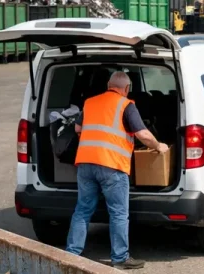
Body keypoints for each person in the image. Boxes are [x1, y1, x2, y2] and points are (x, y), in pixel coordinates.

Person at [66, 70, 169, 269]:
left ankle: (72, 253)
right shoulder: (126, 105)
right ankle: (120, 258)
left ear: (108, 85)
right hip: (112, 166)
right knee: (119, 213)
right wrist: (159, 146)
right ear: (127, 88)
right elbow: (143, 134)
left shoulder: (90, 102)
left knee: (82, 210)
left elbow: (78, 129)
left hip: (86, 163)